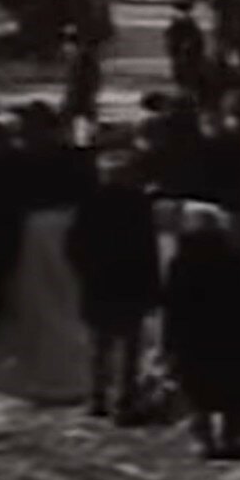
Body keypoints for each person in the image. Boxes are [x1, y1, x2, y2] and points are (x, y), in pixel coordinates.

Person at [64, 148, 162, 422]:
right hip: (129, 283)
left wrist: (84, 271)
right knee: (128, 348)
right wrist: (152, 288)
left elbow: (74, 245)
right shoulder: (139, 204)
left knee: (99, 345)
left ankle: (97, 397)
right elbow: (147, 248)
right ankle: (123, 401)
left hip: (99, 283)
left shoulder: (89, 203)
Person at [162, 204, 240, 458]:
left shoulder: (181, 262)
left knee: (198, 392)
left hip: (194, 338)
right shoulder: (234, 259)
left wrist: (169, 342)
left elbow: (174, 305)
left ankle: (204, 438)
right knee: (233, 390)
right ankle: (232, 436)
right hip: (229, 335)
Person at [164, 0, 208, 101]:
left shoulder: (180, 25)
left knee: (186, 75)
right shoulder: (186, 25)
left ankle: (189, 93)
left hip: (187, 58)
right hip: (188, 58)